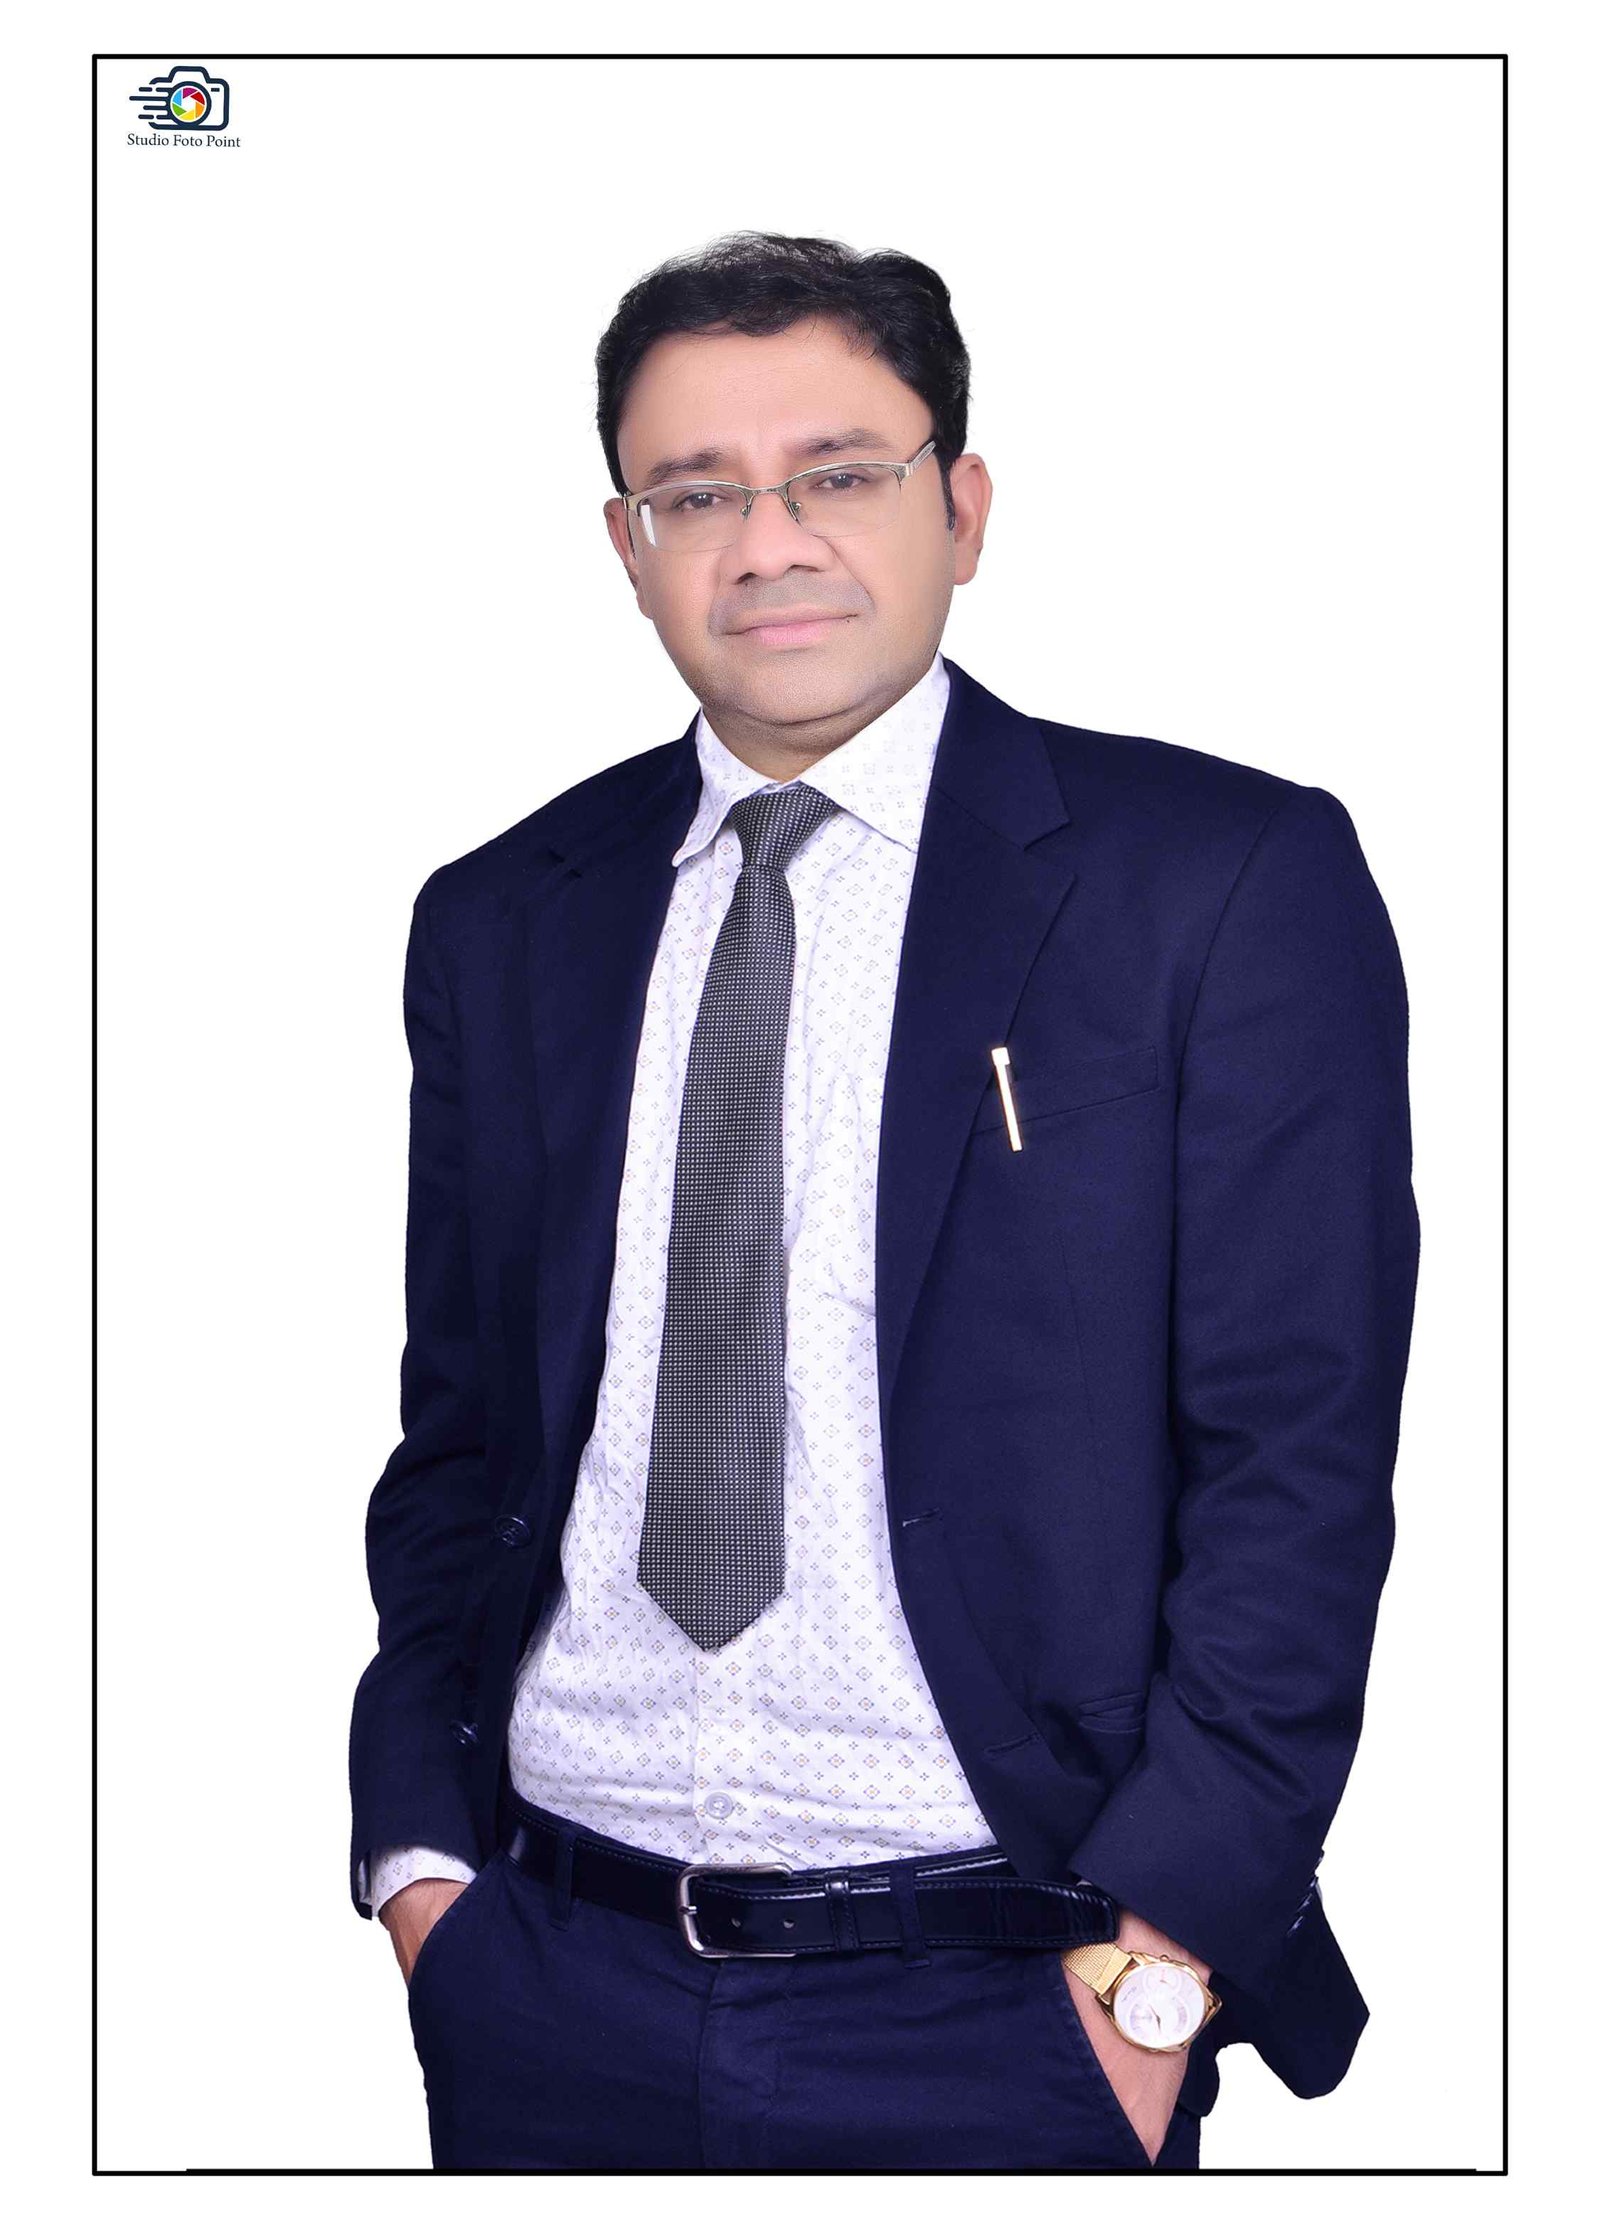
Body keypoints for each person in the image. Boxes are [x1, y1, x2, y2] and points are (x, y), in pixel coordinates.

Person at [347, 229, 1420, 2173]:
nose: (768, 544)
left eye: (836, 473)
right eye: (697, 494)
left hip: (1010, 2001)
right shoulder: (503, 917)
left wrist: (1157, 1972)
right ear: (627, 544)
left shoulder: (1215, 882)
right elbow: (465, 1433)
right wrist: (425, 1866)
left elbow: (1297, 1461)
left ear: (961, 506)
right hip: (549, 1976)